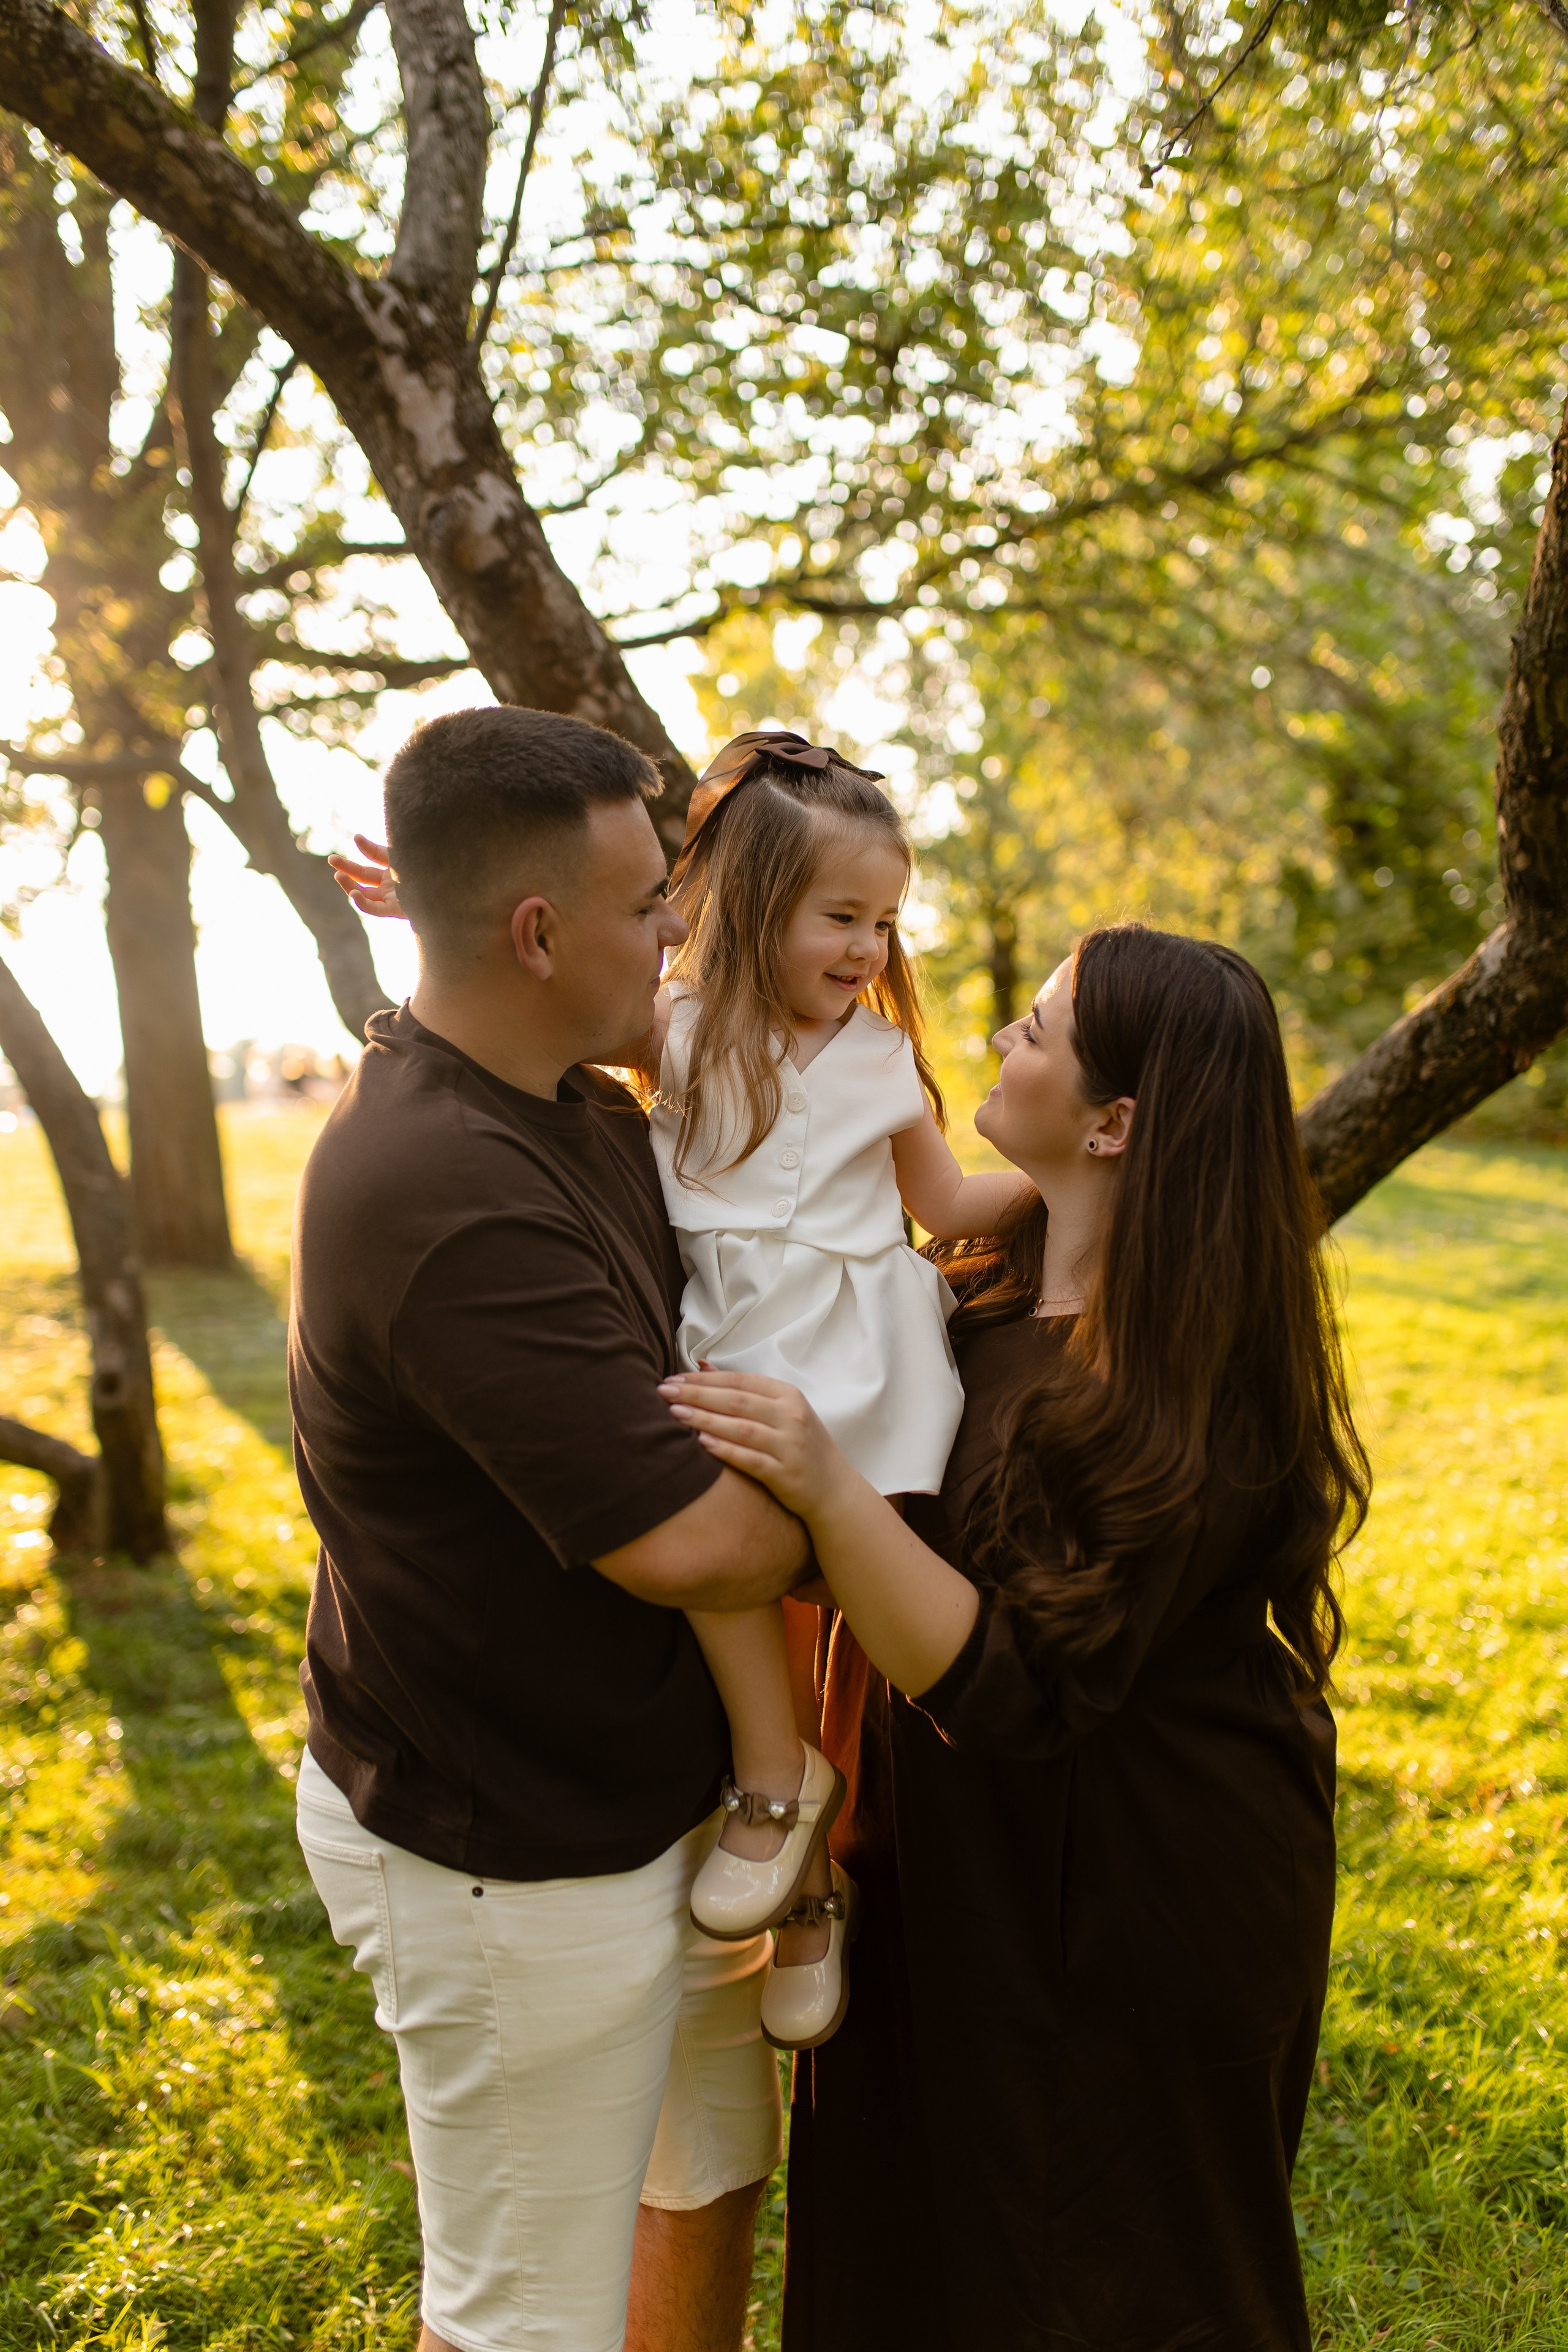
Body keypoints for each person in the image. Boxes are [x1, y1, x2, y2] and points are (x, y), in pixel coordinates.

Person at [662, 924, 1371, 2351]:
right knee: (913, 2241)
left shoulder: (1190, 1382)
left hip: (1142, 1881)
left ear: (1113, 1124)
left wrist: (822, 1482)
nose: (999, 1042)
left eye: (1036, 1032)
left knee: (1117, 2275)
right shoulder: (985, 1276)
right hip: (948, 1856)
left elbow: (1010, 1690)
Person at [292, 706, 812, 2352]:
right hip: (511, 1850)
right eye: (653, 901)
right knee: (528, 2319)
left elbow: (749, 1027)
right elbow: (703, 1551)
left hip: (665, 1799)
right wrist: (883, 1521)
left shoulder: (568, 1089)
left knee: (706, 2177)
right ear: (536, 934)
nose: (680, 933)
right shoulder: (440, 1189)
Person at [647, 730, 1025, 2049]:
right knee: (726, 1558)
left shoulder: (877, 1057)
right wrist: (444, 924)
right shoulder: (674, 1022)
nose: (867, 947)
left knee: (855, 1626)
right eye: (840, 916)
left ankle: (815, 1855)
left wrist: (1080, 1175)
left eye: (884, 920)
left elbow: (946, 1200)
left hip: (866, 1359)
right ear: (754, 905)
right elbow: (552, 985)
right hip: (738, 1341)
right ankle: (778, 1811)